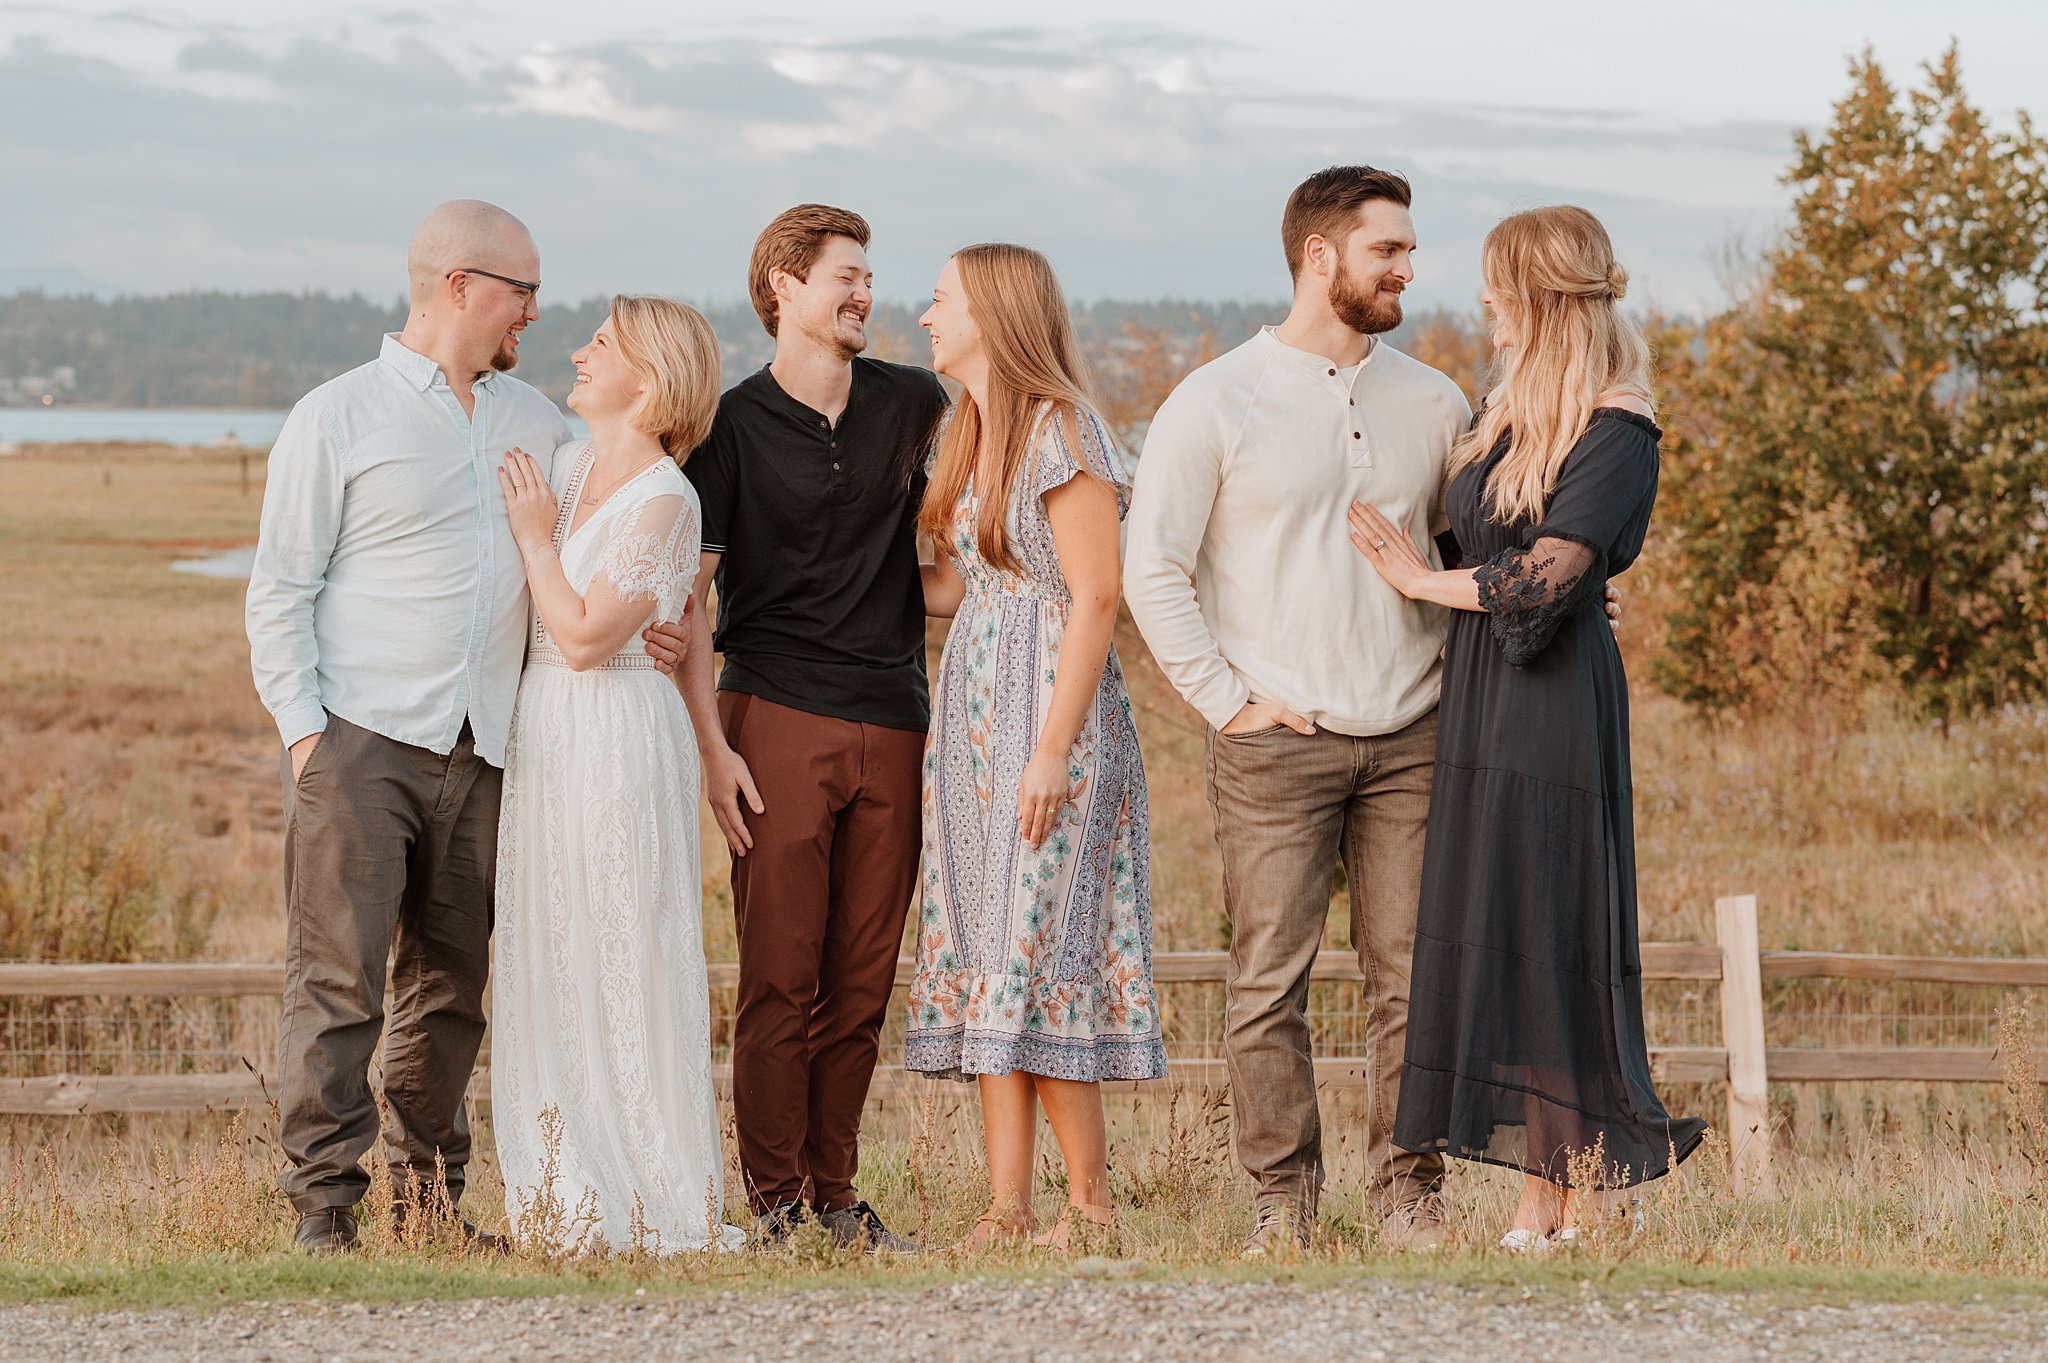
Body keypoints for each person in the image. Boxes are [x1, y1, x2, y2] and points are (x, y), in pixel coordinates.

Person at [1124, 165, 1472, 1255]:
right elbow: (1152, 570)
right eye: (1388, 252)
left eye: (1408, 251)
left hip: (1413, 730)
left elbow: (1472, 554)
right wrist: (1226, 704)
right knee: (1266, 982)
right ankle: (1283, 1200)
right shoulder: (1214, 400)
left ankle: (1407, 1195)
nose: (1407, 270)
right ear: (1320, 256)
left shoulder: (1434, 401)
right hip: (1274, 742)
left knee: (1413, 980)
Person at [1349, 205, 1706, 1248]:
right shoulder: (1509, 410)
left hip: (1549, 709)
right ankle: (1544, 1198)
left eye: (1497, 284)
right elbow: (1517, 554)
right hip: (1481, 694)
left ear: (1540, 297)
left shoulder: (1617, 422)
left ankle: (1543, 1205)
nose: (1483, 302)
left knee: (1544, 929)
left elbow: (1545, 577)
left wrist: (1423, 579)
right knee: (1502, 929)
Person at [246, 199, 568, 1254]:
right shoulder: (335, 415)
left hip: (485, 748)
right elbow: (281, 590)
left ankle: (427, 1205)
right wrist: (308, 739)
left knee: (450, 989)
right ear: (459, 287)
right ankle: (322, 1210)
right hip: (361, 740)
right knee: (337, 983)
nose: (534, 310)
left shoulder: (538, 422)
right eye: (522, 290)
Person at [643, 204, 944, 1252]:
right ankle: (773, 1202)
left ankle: (834, 1192)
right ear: (782, 284)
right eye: (844, 276)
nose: (865, 295)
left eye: (869, 277)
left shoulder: (915, 401)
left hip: (897, 719)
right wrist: (708, 751)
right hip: (768, 714)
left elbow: (955, 548)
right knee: (779, 972)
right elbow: (684, 610)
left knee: (861, 979)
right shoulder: (724, 428)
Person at [904, 244, 1166, 1250]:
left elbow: (1096, 594)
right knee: (989, 959)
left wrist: (1051, 747)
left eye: (940, 301)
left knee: (1039, 947)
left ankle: (1090, 1206)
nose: (926, 316)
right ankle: (1003, 1206)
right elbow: (958, 589)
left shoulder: (1066, 430)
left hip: (1053, 724)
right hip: (971, 729)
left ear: (990, 311)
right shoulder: (969, 433)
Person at [489, 296, 745, 1254]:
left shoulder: (667, 497)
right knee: (553, 943)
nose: (581, 352)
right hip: (545, 731)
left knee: (622, 942)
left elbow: (592, 636)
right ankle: (564, 1170)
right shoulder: (565, 466)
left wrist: (537, 541)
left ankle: (649, 1187)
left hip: (616, 732)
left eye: (603, 343)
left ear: (654, 376)